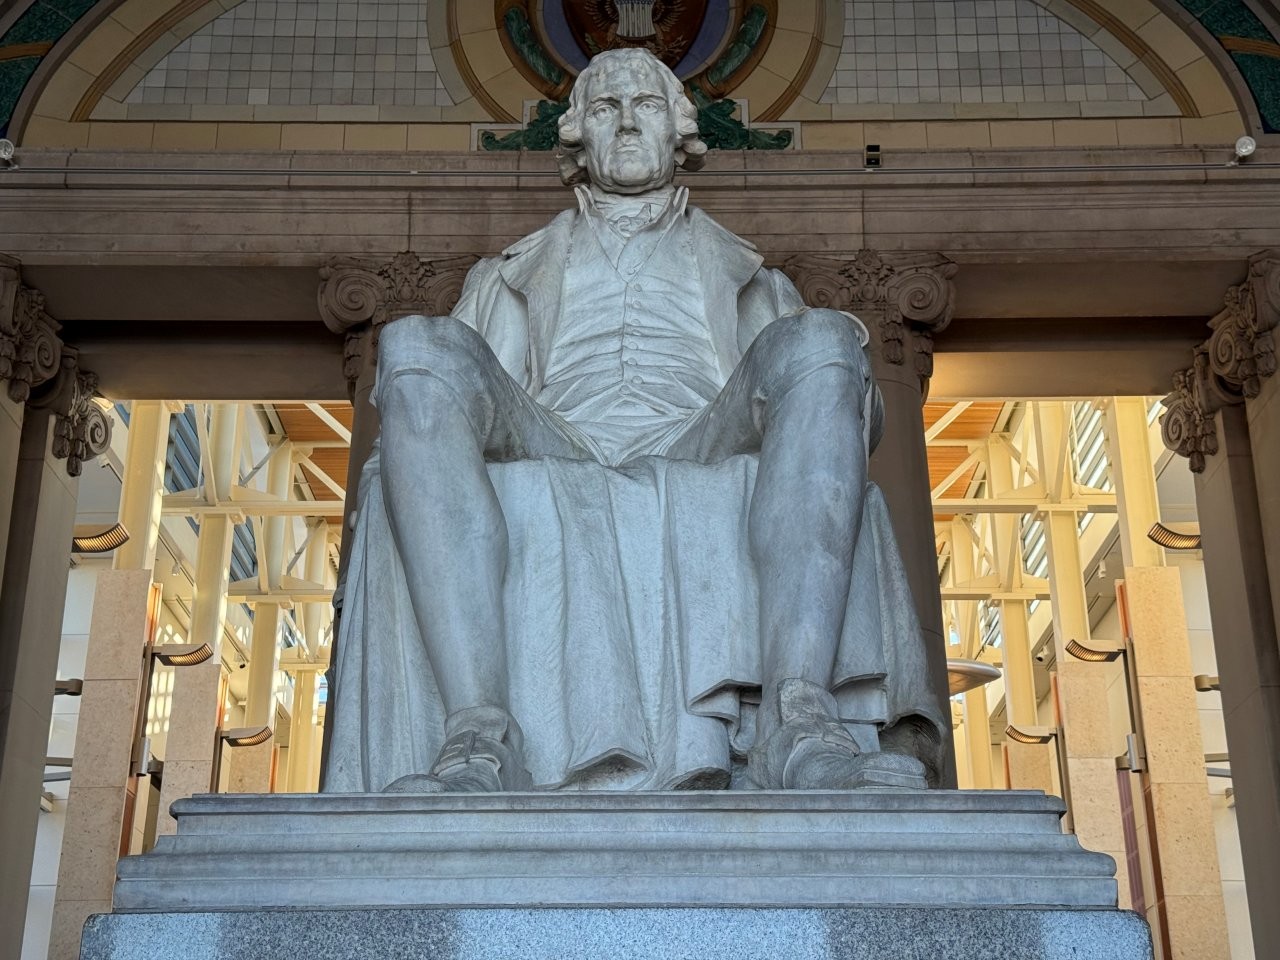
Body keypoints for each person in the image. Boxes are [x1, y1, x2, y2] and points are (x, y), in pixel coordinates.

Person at [330, 47, 943, 794]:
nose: (625, 121)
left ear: (680, 129)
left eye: (645, 105)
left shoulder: (755, 280)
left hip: (703, 429)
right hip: (555, 428)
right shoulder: (508, 274)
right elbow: (441, 411)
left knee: (823, 338)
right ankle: (478, 733)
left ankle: (799, 718)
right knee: (415, 346)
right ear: (575, 135)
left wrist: (823, 376)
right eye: (604, 107)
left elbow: (850, 415)